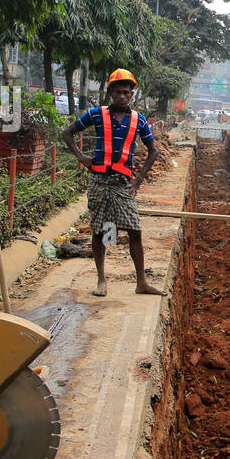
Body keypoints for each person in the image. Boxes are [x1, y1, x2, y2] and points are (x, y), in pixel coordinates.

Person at [63, 68, 163, 298]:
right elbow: (68, 133)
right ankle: (101, 280)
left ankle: (141, 282)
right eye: (118, 92)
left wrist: (138, 180)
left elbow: (153, 151)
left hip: (122, 184)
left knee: (134, 230)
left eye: (126, 93)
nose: (122, 96)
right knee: (100, 230)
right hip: (99, 181)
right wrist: (82, 158)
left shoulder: (139, 120)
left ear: (132, 94)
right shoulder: (97, 114)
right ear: (110, 92)